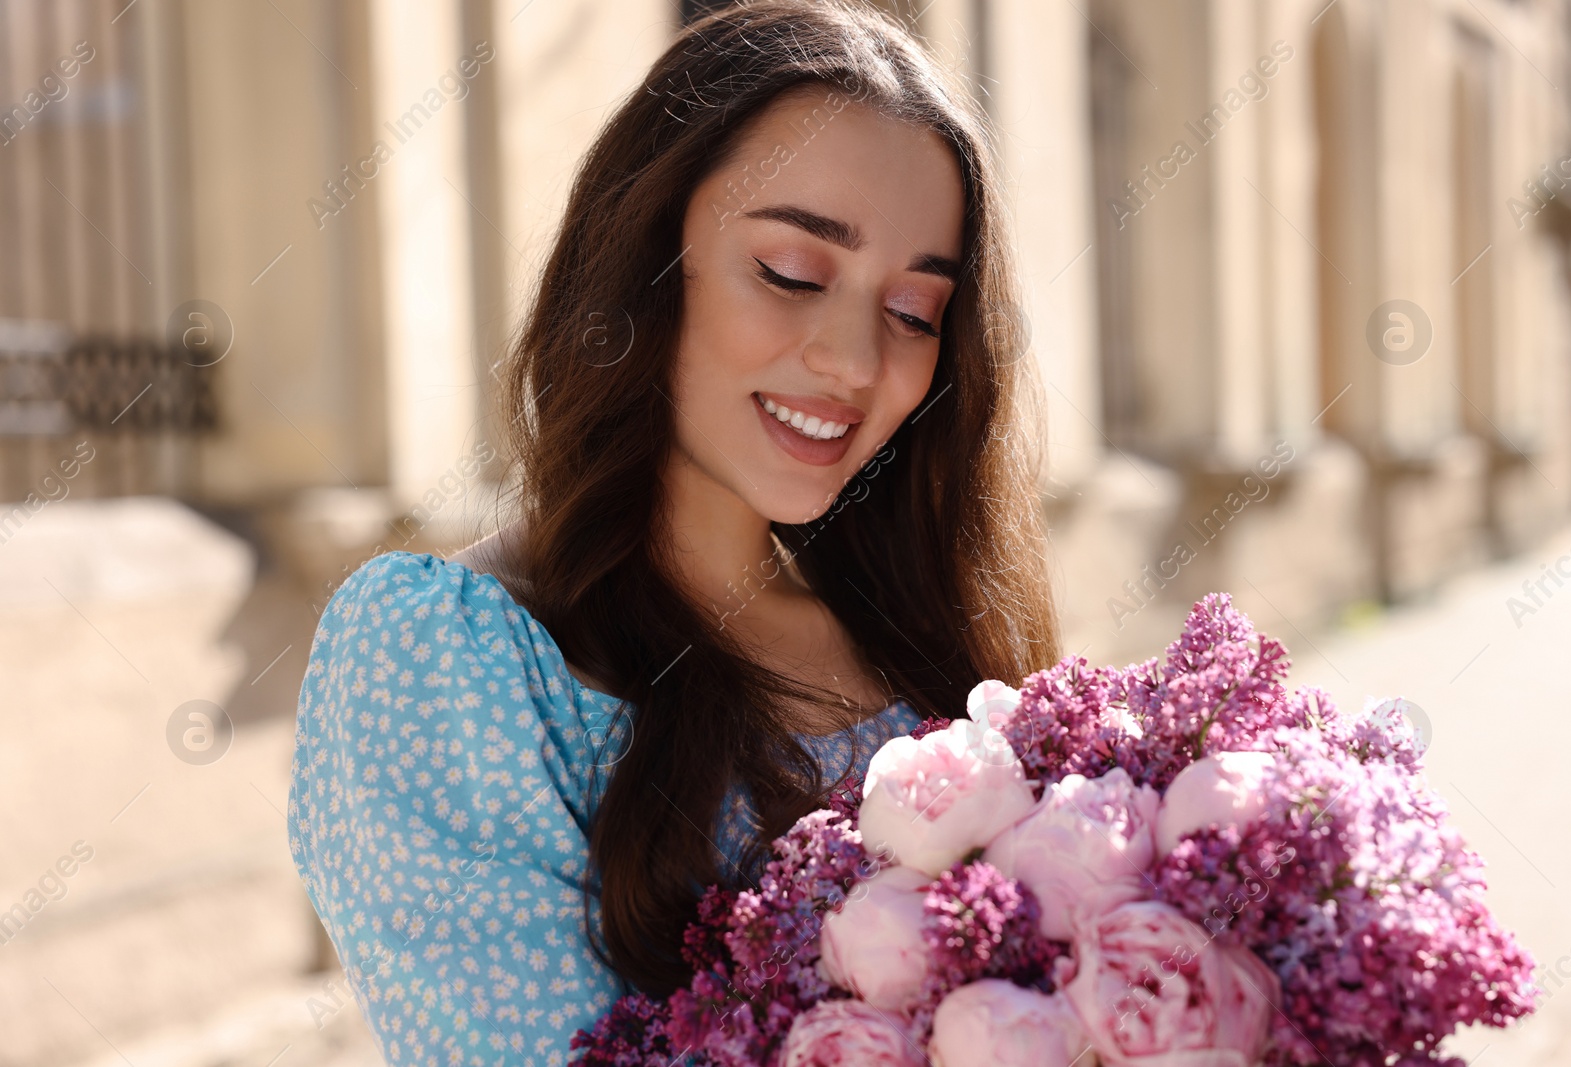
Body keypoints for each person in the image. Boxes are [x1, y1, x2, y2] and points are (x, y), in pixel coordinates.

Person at [286, 1, 1060, 1061]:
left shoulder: (923, 643)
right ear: (646, 253)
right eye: (791, 271)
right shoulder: (445, 651)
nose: (852, 360)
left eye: (915, 312)